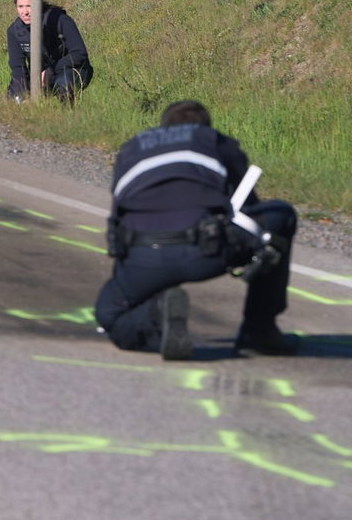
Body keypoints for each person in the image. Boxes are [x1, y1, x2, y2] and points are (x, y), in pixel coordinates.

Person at [94, 100, 298, 360]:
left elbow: (118, 218)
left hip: (143, 255)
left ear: (163, 127)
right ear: (204, 126)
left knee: (110, 315)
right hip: (206, 248)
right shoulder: (215, 142)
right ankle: (259, 332)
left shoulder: (131, 149)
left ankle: (156, 316)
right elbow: (246, 206)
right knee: (281, 214)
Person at [6, 0, 92, 102]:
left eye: (29, 6)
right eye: (20, 6)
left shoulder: (61, 20)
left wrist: (51, 71)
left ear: (39, 5)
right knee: (15, 95)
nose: (24, 12)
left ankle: (67, 113)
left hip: (70, 70)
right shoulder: (14, 31)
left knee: (63, 84)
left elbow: (79, 53)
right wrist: (22, 93)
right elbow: (18, 68)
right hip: (38, 75)